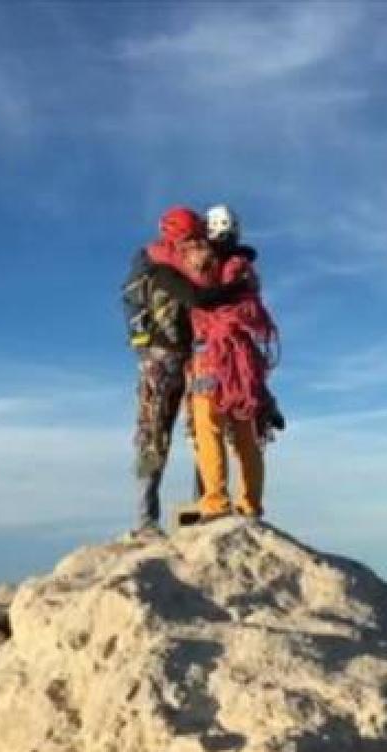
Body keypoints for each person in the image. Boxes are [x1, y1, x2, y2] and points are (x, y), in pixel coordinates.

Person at [122, 207, 250, 537]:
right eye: (191, 237)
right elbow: (197, 298)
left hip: (187, 356)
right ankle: (146, 521)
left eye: (198, 237)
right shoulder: (162, 268)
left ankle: (204, 504)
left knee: (200, 430)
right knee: (155, 433)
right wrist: (237, 287)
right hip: (164, 356)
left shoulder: (173, 263)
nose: (195, 244)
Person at [179, 219, 281, 521]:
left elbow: (196, 300)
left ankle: (216, 502)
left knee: (209, 429)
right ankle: (249, 506)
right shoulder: (244, 272)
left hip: (212, 357)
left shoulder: (200, 265)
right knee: (244, 433)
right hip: (240, 362)